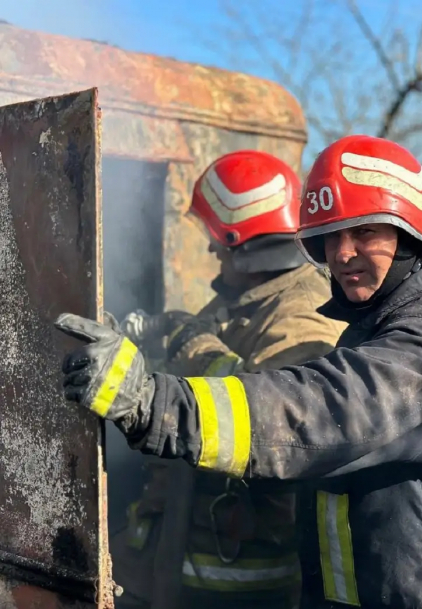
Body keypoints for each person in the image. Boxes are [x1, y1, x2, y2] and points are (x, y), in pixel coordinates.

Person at [55, 135, 422, 609]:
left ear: (412, 231)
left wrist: (150, 402)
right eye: (328, 236)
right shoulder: (383, 320)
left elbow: (314, 413)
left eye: (363, 231)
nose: (341, 254)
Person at [109, 150, 346, 609]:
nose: (211, 248)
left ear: (246, 241)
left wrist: (193, 344)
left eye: (218, 237)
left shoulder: (303, 314)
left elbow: (277, 421)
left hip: (236, 576)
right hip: (184, 552)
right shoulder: (248, 298)